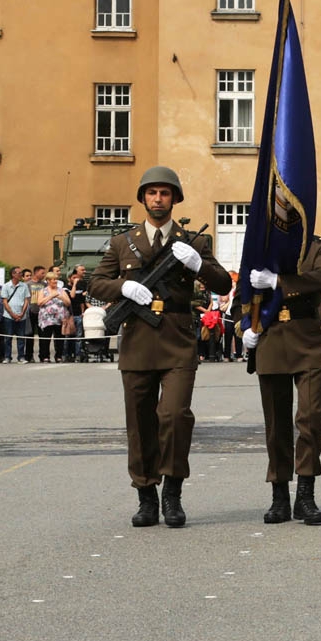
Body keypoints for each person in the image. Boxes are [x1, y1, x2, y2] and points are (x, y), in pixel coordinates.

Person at [88, 166, 232, 528]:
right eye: (151, 192)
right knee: (140, 421)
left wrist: (198, 263)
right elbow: (96, 283)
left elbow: (221, 284)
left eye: (165, 193)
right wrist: (123, 287)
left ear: (175, 198)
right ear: (142, 199)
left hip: (178, 339)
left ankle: (173, 492)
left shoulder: (193, 241)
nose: (158, 198)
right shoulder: (124, 242)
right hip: (137, 339)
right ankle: (146, 495)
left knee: (174, 416)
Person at [242, 231, 321, 525]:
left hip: (307, 339)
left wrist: (278, 283)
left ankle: (305, 494)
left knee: (310, 417)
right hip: (269, 340)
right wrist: (242, 329)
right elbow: (243, 293)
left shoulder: (318, 246)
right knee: (276, 424)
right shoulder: (259, 246)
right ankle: (279, 494)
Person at [36, 270, 71, 362]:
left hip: (60, 319)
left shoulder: (61, 290)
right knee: (45, 339)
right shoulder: (43, 291)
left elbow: (68, 303)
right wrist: (51, 296)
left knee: (59, 339)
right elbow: (39, 303)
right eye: (53, 279)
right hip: (46, 319)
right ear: (48, 280)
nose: (55, 281)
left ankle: (58, 356)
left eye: (56, 279)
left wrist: (61, 297)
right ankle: (45, 356)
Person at [1, 266, 31, 364]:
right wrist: (12, 314)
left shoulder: (24, 286)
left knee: (21, 338)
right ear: (13, 274)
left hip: (21, 316)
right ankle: (7, 356)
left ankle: (21, 357)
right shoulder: (6, 286)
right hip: (9, 316)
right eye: (19, 272)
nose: (20, 274)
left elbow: (27, 300)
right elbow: (5, 302)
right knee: (8, 337)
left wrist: (22, 313)